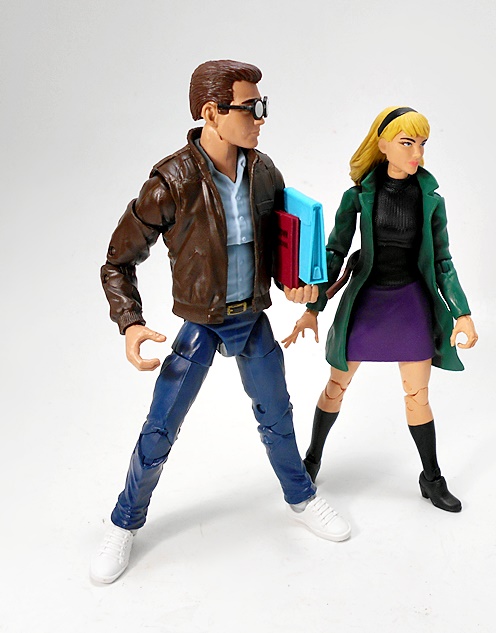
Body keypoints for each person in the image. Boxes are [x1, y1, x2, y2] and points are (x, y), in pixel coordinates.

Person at [90, 60, 350, 585]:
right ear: (211, 113)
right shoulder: (172, 182)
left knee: (277, 417)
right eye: (250, 108)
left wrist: (298, 284)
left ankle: (300, 496)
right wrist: (131, 322)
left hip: (252, 320)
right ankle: (124, 521)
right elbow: (117, 261)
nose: (260, 118)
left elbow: (280, 246)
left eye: (262, 106)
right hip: (201, 325)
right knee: (160, 429)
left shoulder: (264, 171)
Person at [283, 106, 478, 513]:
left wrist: (461, 312)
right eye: (407, 143)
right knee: (336, 387)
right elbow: (334, 252)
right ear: (383, 145)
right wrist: (313, 308)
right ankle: (312, 458)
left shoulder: (430, 200)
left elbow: (443, 260)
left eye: (422, 144)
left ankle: (432, 478)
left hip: (410, 303)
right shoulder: (358, 196)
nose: (417, 154)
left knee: (417, 395)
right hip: (367, 301)